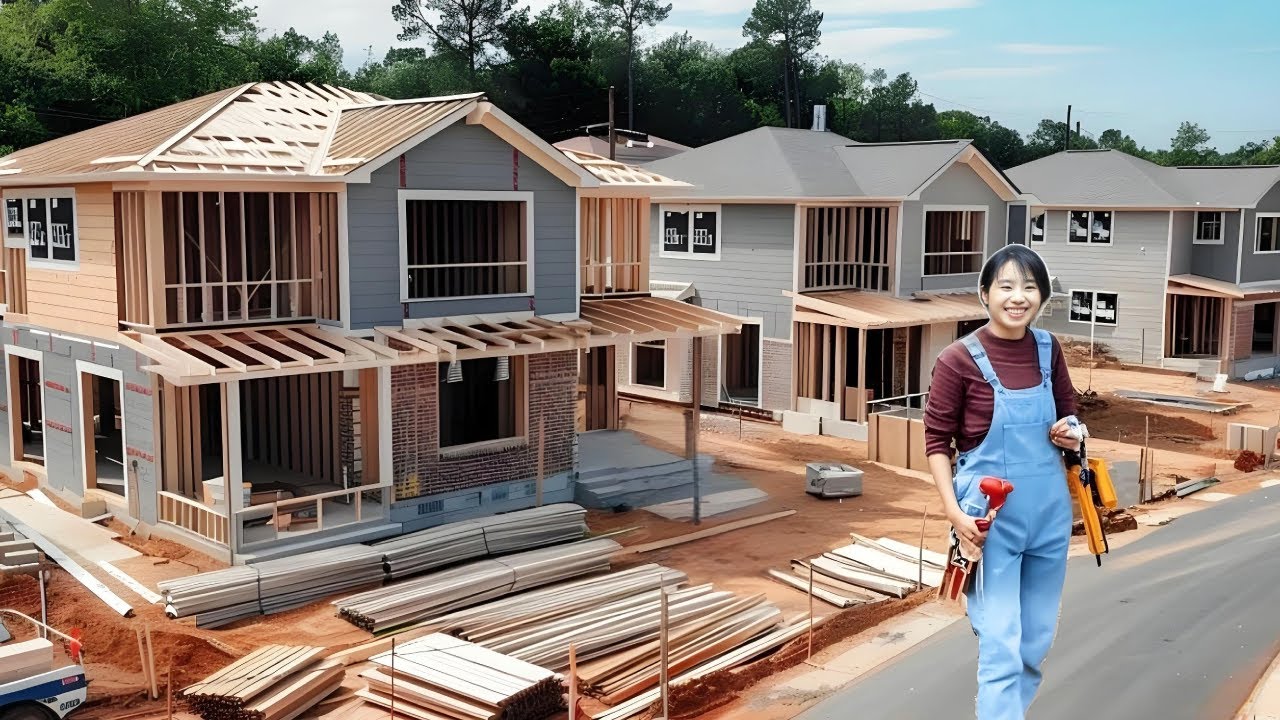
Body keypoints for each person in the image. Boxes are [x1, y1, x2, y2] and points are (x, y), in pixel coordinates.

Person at [923, 244, 1083, 720]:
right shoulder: (958, 359)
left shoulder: (1049, 349)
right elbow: (936, 442)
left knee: (1034, 644)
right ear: (985, 294)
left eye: (1030, 287)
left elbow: (1071, 412)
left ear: (1043, 296)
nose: (1018, 298)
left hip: (1049, 515)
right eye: (1007, 287)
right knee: (1000, 642)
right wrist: (954, 513)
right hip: (987, 521)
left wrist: (1070, 432)